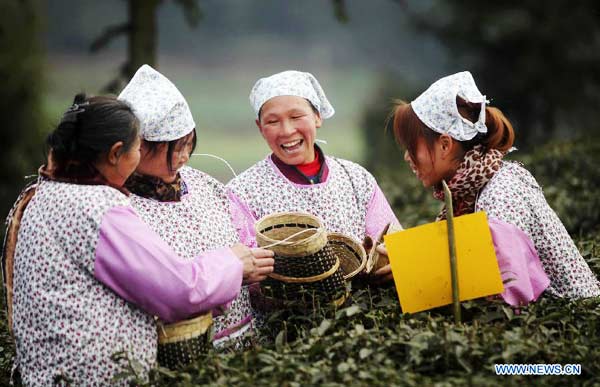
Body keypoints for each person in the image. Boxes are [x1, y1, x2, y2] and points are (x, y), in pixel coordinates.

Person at [7, 94, 271, 386]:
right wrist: (233, 262)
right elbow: (180, 290)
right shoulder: (98, 207)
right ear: (115, 153)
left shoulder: (46, 193)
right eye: (137, 149)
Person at [391, 71, 600, 304]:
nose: (407, 158)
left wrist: (413, 272)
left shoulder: (501, 192)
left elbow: (511, 293)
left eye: (412, 147)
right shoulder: (472, 187)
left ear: (445, 144)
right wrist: (403, 266)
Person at [118, 64, 274, 351]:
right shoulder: (118, 206)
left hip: (241, 351)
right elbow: (164, 289)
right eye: (173, 148)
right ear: (138, 145)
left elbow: (248, 242)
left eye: (189, 145)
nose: (184, 157)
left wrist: (259, 267)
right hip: (172, 355)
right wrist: (233, 270)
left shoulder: (207, 187)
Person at [227, 70, 400, 283]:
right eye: (272, 122)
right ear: (260, 128)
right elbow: (247, 270)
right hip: (283, 315)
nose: (287, 130)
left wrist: (391, 260)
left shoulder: (356, 178)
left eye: (296, 117)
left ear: (317, 116)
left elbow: (392, 242)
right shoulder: (242, 192)